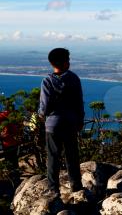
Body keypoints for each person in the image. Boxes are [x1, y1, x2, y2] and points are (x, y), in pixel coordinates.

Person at [38, 48, 85, 196]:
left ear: (52, 63)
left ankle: (54, 189)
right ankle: (76, 186)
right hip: (71, 123)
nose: (69, 63)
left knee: (53, 157)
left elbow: (44, 106)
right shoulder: (74, 79)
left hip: (53, 125)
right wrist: (80, 120)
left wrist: (40, 115)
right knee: (72, 156)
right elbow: (79, 103)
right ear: (65, 63)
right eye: (68, 60)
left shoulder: (47, 81)